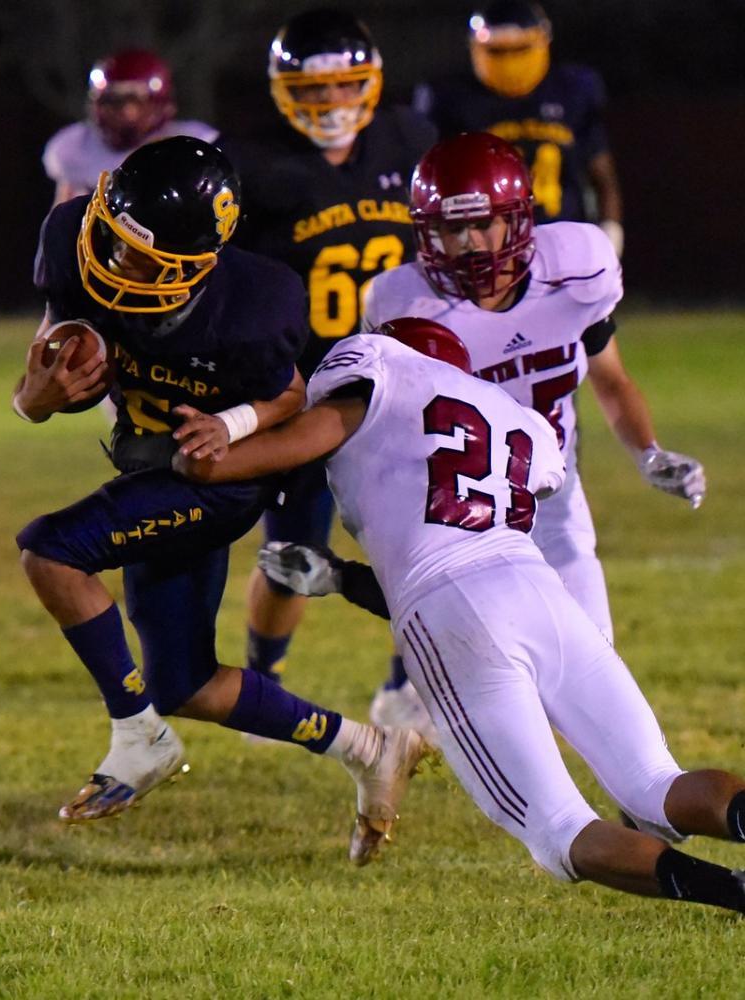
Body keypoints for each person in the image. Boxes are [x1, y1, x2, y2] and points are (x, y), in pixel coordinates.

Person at [175, 317, 745, 916]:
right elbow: (456, 539)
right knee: (657, 783)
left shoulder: (379, 369)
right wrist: (342, 578)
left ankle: (732, 894)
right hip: (538, 591)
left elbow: (306, 445)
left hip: (452, 610)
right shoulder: (513, 417)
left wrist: (206, 457)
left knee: (558, 828)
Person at [11, 136, 425, 864]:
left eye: (139, 259)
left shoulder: (257, 301)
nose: (112, 263)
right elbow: (50, 358)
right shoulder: (70, 235)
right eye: (110, 238)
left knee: (51, 550)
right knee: (185, 681)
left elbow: (289, 393)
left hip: (219, 479)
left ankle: (138, 737)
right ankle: (370, 748)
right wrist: (32, 401)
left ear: (193, 264)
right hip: (149, 468)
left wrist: (229, 425)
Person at [360, 131, 704, 734]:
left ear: (517, 218)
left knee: (596, 684)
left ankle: (647, 815)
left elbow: (612, 379)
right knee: (502, 695)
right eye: (449, 229)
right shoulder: (402, 303)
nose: (467, 245)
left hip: (552, 501)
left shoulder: (577, 267)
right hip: (457, 515)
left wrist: (649, 453)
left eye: (483, 224)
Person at [219, 7, 436, 691]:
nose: (334, 104)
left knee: (424, 543)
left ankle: (412, 682)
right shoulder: (250, 162)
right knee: (291, 553)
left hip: (400, 385)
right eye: (314, 92)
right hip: (302, 388)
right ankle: (264, 678)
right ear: (285, 93)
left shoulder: (409, 139)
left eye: (345, 87)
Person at [413, 1, 625, 257]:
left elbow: (602, 176)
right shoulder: (450, 100)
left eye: (520, 49)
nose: (511, 62)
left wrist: (610, 234)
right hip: (489, 248)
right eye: (498, 51)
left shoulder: (573, 90)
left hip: (564, 242)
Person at [42, 47, 218, 207]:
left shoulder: (188, 144)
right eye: (112, 102)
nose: (124, 113)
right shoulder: (75, 147)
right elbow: (60, 228)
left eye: (134, 101)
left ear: (159, 104)